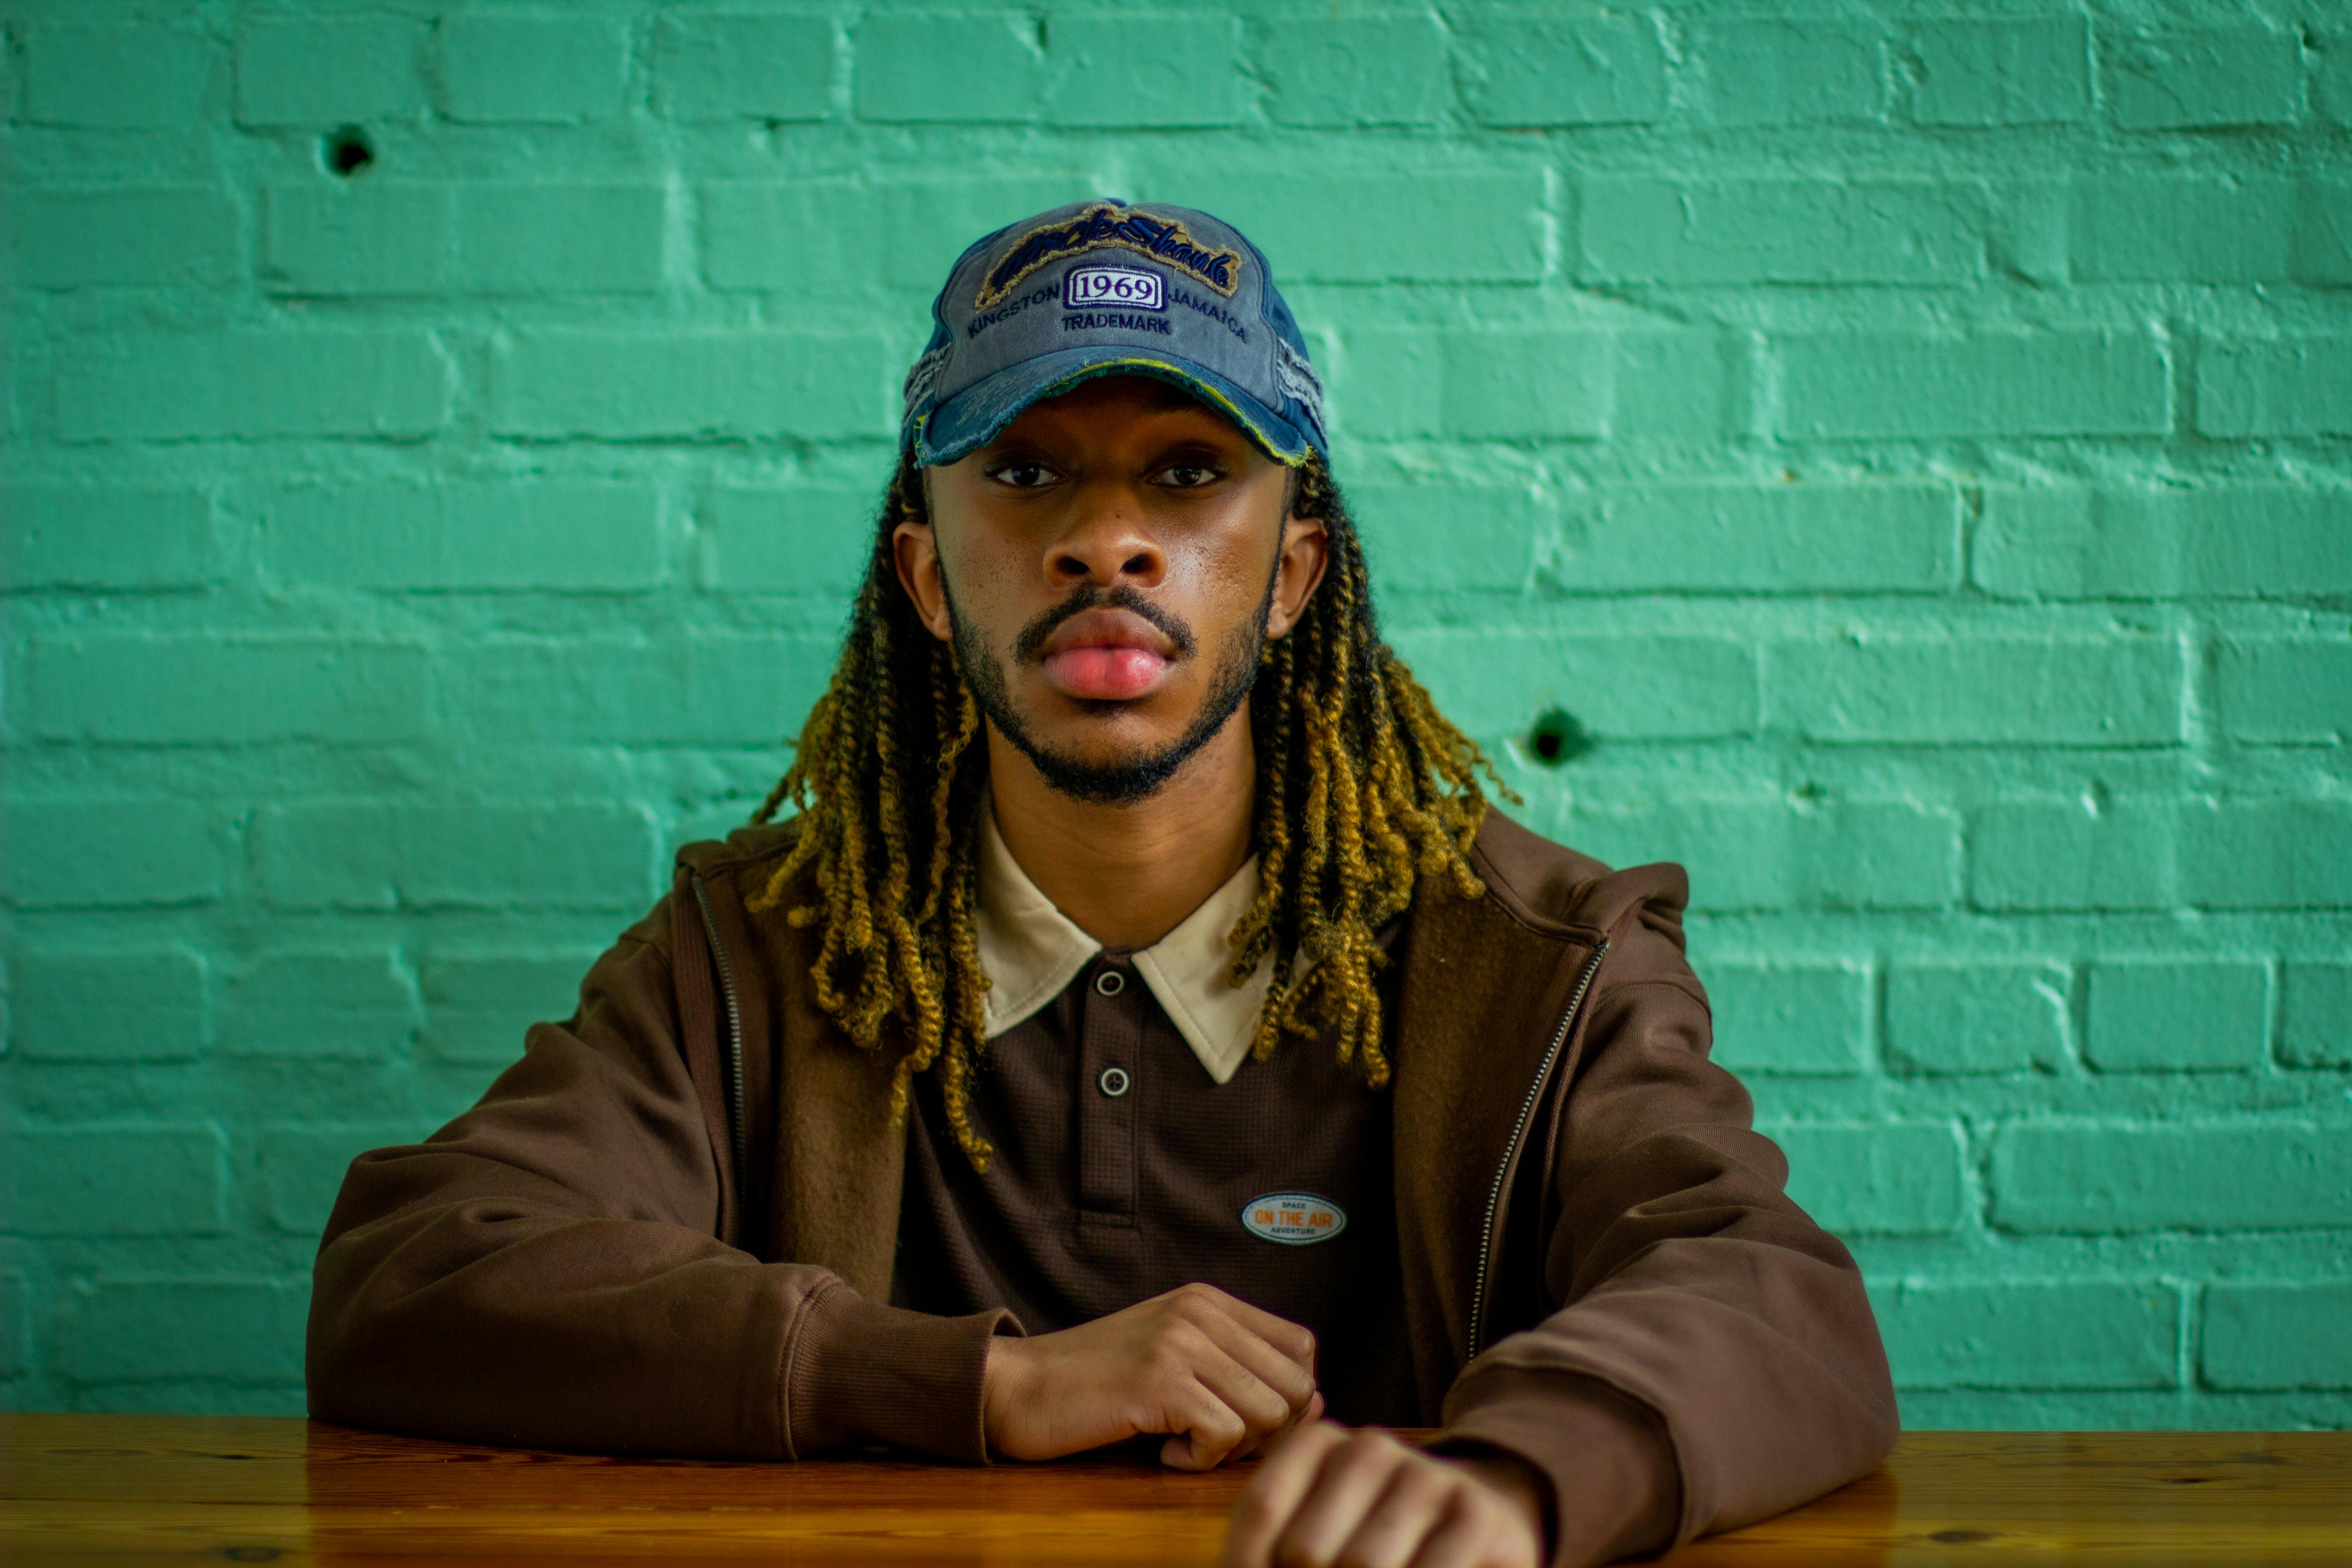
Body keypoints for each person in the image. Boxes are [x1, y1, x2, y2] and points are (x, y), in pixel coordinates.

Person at [308, 201, 1896, 1568]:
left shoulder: (1540, 959)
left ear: (1290, 576)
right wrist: (989, 1387)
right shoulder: (760, 951)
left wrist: (1514, 1480)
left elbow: (1769, 1293)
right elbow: (418, 1272)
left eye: (1192, 472)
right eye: (1026, 473)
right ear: (931, 578)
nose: (1108, 541)